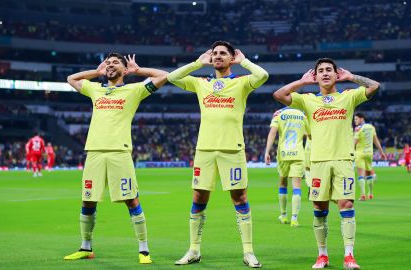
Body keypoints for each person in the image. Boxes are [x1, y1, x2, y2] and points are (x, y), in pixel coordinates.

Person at [167, 41, 268, 268]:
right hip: (204, 149)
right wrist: (196, 63)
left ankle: (249, 252)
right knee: (198, 198)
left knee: (239, 198)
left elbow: (263, 75)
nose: (217, 56)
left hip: (232, 148)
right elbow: (172, 78)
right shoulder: (202, 83)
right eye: (214, 54)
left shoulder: (241, 82)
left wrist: (245, 62)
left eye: (223, 53)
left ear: (232, 58)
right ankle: (193, 249)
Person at [273, 58, 380, 269]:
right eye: (320, 70)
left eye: (329, 70)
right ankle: (322, 255)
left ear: (335, 74)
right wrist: (302, 82)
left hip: (343, 160)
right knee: (319, 208)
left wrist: (352, 77)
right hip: (318, 161)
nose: (324, 73)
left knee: (346, 204)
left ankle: (349, 256)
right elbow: (278, 95)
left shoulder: (348, 96)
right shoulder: (308, 99)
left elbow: (374, 86)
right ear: (316, 76)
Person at [63, 53, 167, 264]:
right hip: (94, 152)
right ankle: (85, 247)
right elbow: (71, 79)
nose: (110, 65)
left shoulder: (134, 90)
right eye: (108, 63)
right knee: (88, 200)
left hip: (120, 152)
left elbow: (164, 75)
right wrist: (97, 72)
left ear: (124, 69)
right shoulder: (96, 89)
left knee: (131, 199)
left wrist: (139, 71)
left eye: (115, 63)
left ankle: (144, 249)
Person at [265, 107, 309, 227]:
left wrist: (267, 151)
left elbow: (272, 132)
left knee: (283, 183)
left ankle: (283, 215)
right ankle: (294, 218)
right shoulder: (303, 114)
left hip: (284, 154)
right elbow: (309, 134)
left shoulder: (278, 113)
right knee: (297, 187)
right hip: (299, 154)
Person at [353, 113, 387, 201]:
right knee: (368, 174)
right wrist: (382, 152)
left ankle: (363, 195)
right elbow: (376, 141)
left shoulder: (358, 128)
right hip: (369, 153)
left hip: (360, 153)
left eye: (356, 119)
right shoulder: (371, 127)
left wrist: (350, 152)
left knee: (361, 175)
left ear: (361, 119)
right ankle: (371, 193)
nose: (355, 121)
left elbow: (355, 142)